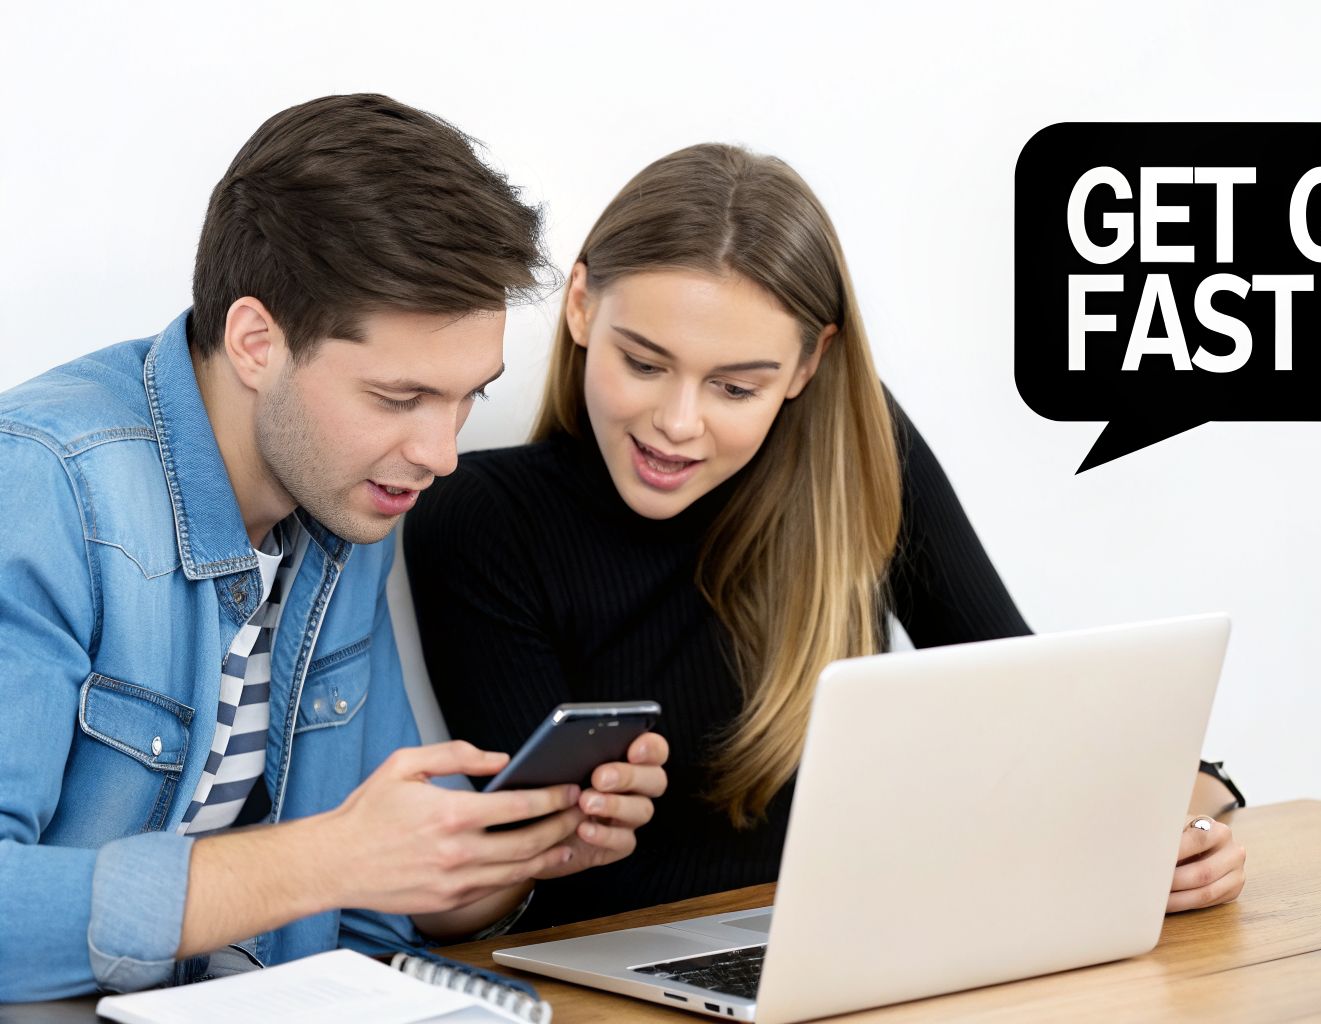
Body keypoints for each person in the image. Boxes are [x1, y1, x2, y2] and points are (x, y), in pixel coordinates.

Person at [404, 143, 1246, 932]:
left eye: (736, 388)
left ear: (807, 365)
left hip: (863, 939)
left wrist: (1196, 811)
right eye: (646, 364)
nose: (678, 423)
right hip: (608, 974)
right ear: (582, 305)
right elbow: (536, 872)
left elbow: (1036, 704)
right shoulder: (480, 517)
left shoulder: (857, 454)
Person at [0, 94, 669, 1003]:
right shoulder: (41, 488)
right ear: (256, 342)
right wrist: (323, 859)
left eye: (469, 396)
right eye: (399, 398)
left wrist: (521, 851)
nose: (441, 454)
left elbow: (373, 911)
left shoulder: (349, 504)